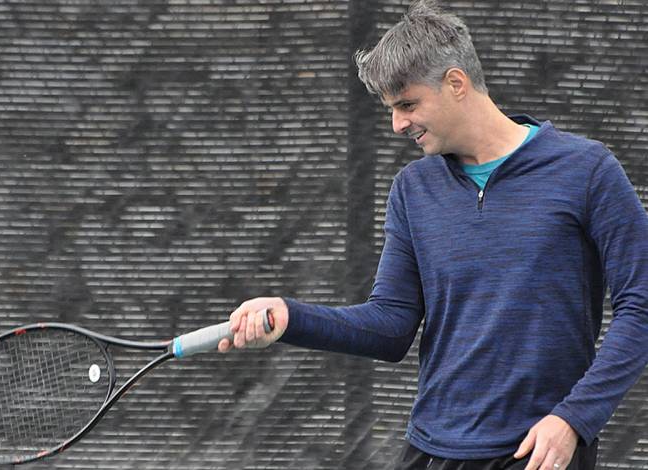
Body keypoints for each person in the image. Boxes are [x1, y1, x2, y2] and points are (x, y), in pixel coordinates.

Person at [218, 0, 648, 468]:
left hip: (540, 453)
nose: (398, 124)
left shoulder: (586, 170)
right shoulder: (413, 189)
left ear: (456, 83)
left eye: (407, 104)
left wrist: (574, 419)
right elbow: (391, 325)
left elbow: (641, 302)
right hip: (431, 450)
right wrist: (289, 317)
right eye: (392, 108)